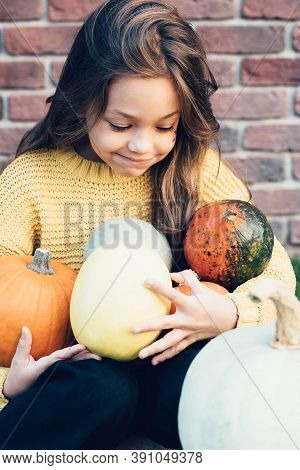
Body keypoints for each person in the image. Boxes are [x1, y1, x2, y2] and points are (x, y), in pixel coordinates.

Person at [0, 0, 296, 450]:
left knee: (198, 375)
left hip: (170, 360)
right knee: (101, 390)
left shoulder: (199, 173)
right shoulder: (28, 183)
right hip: (80, 372)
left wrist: (231, 314)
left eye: (165, 126)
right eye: (121, 124)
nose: (142, 145)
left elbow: (274, 276)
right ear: (82, 103)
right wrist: (8, 382)